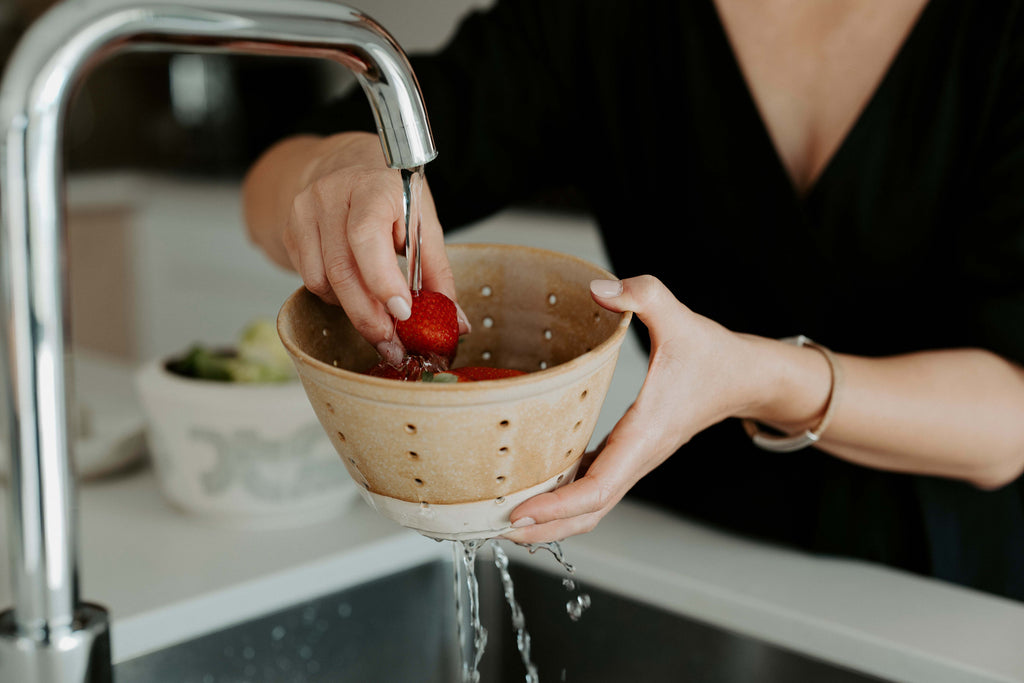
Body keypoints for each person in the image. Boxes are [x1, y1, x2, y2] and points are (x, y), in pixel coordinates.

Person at [243, 0, 1024, 601]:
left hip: (949, 587)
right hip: (679, 553)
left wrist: (761, 378)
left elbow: (1007, 422)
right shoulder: (606, 15)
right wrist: (338, 171)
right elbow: (274, 175)